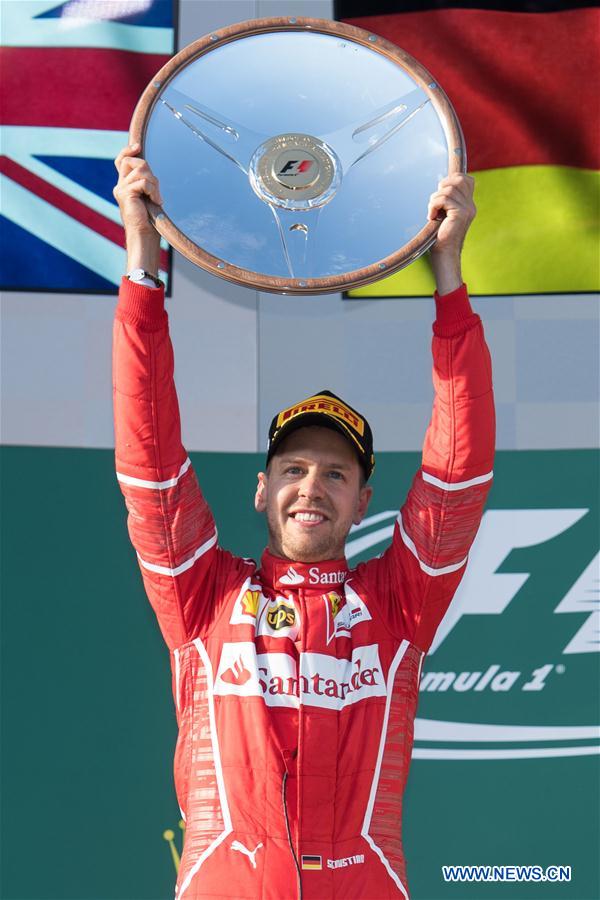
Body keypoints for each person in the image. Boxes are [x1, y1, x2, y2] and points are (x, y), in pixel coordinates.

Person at [113, 143, 495, 900]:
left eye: (334, 473)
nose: (310, 486)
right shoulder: (202, 597)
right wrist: (142, 262)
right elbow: (150, 459)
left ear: (361, 501)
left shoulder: (396, 605)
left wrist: (449, 278)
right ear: (262, 491)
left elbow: (457, 475)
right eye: (292, 469)